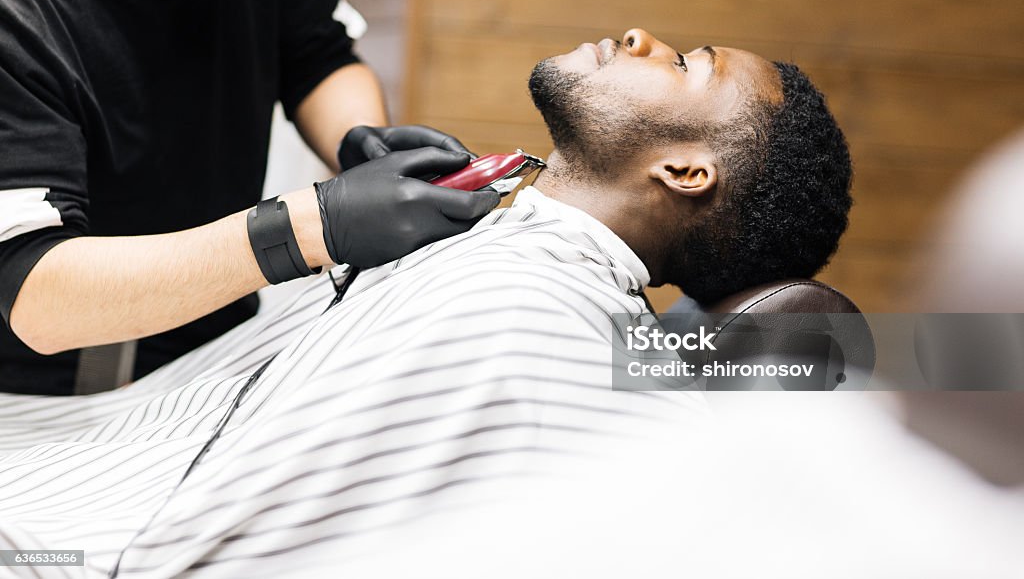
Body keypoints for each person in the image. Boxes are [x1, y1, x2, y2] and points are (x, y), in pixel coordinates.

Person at [0, 28, 854, 575]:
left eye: (685, 63)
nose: (642, 36)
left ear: (686, 171)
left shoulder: (548, 331)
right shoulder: (484, 243)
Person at [0, 0, 497, 394]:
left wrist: (358, 137)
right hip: (46, 396)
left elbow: (317, 53)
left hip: (218, 350)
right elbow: (34, 290)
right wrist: (309, 228)